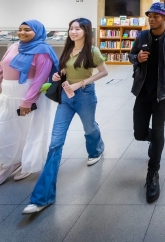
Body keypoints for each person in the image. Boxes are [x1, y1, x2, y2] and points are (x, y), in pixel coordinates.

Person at [24, 18, 108, 214]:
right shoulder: (67, 49)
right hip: (66, 97)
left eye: (78, 29)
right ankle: (42, 198)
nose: (73, 31)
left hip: (85, 96)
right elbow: (65, 70)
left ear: (86, 31)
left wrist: (82, 83)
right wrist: (58, 75)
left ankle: (96, 150)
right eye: (71, 28)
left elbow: (104, 72)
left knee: (89, 127)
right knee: (55, 143)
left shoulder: (92, 51)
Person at [0, 20, 59, 189]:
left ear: (38, 32)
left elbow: (40, 78)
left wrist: (27, 101)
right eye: (19, 30)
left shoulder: (43, 50)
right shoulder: (13, 47)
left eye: (27, 30)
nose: (22, 33)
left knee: (29, 131)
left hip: (29, 95)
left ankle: (26, 163)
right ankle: (9, 162)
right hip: (7, 95)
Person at [129, 3, 165, 203]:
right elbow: (131, 56)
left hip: (162, 95)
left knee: (158, 130)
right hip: (142, 93)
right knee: (139, 133)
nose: (151, 19)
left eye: (156, 16)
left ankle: (153, 173)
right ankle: (154, 140)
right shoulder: (142, 37)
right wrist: (137, 58)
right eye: (150, 16)